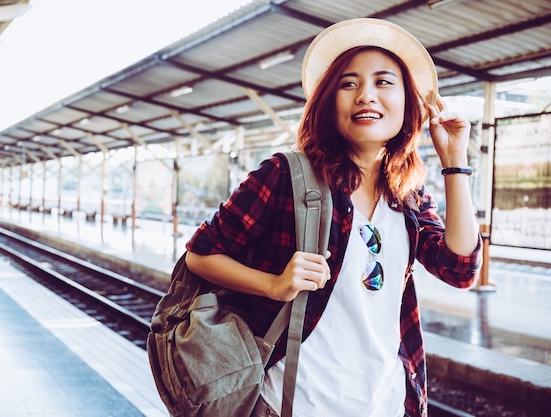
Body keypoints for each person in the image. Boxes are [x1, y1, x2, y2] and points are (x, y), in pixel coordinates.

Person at [185, 18, 481, 417]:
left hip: (389, 403)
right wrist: (273, 285)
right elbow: (200, 255)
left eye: (383, 82)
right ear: (330, 101)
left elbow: (460, 269)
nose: (366, 95)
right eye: (349, 83)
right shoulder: (286, 175)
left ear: (408, 103)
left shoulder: (407, 195)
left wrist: (455, 162)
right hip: (292, 402)